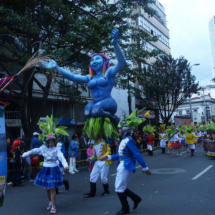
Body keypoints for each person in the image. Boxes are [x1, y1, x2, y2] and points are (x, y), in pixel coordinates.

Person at [41, 29, 126, 127]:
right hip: (95, 103)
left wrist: (115, 44)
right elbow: (72, 77)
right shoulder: (89, 77)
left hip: (108, 102)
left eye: (97, 59)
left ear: (104, 61)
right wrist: (57, 67)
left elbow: (122, 62)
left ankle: (113, 119)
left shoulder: (109, 73)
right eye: (92, 60)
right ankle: (97, 134)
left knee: (96, 110)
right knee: (86, 112)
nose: (94, 61)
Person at [101, 115, 151, 215]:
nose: (118, 131)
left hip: (126, 165)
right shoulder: (123, 140)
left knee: (119, 187)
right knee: (120, 186)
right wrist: (109, 157)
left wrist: (145, 167)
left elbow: (136, 154)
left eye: (119, 129)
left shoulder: (129, 141)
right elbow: (120, 155)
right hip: (122, 164)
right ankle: (136, 198)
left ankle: (126, 208)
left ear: (125, 130)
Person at [22, 116, 69, 214]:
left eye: (52, 142)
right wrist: (25, 154)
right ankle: (49, 202)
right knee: (47, 188)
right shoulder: (43, 148)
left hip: (53, 169)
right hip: (45, 169)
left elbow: (61, 157)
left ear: (54, 142)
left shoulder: (57, 149)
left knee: (52, 189)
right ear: (47, 142)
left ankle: (53, 206)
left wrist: (65, 165)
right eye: (49, 142)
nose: (51, 143)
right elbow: (34, 150)